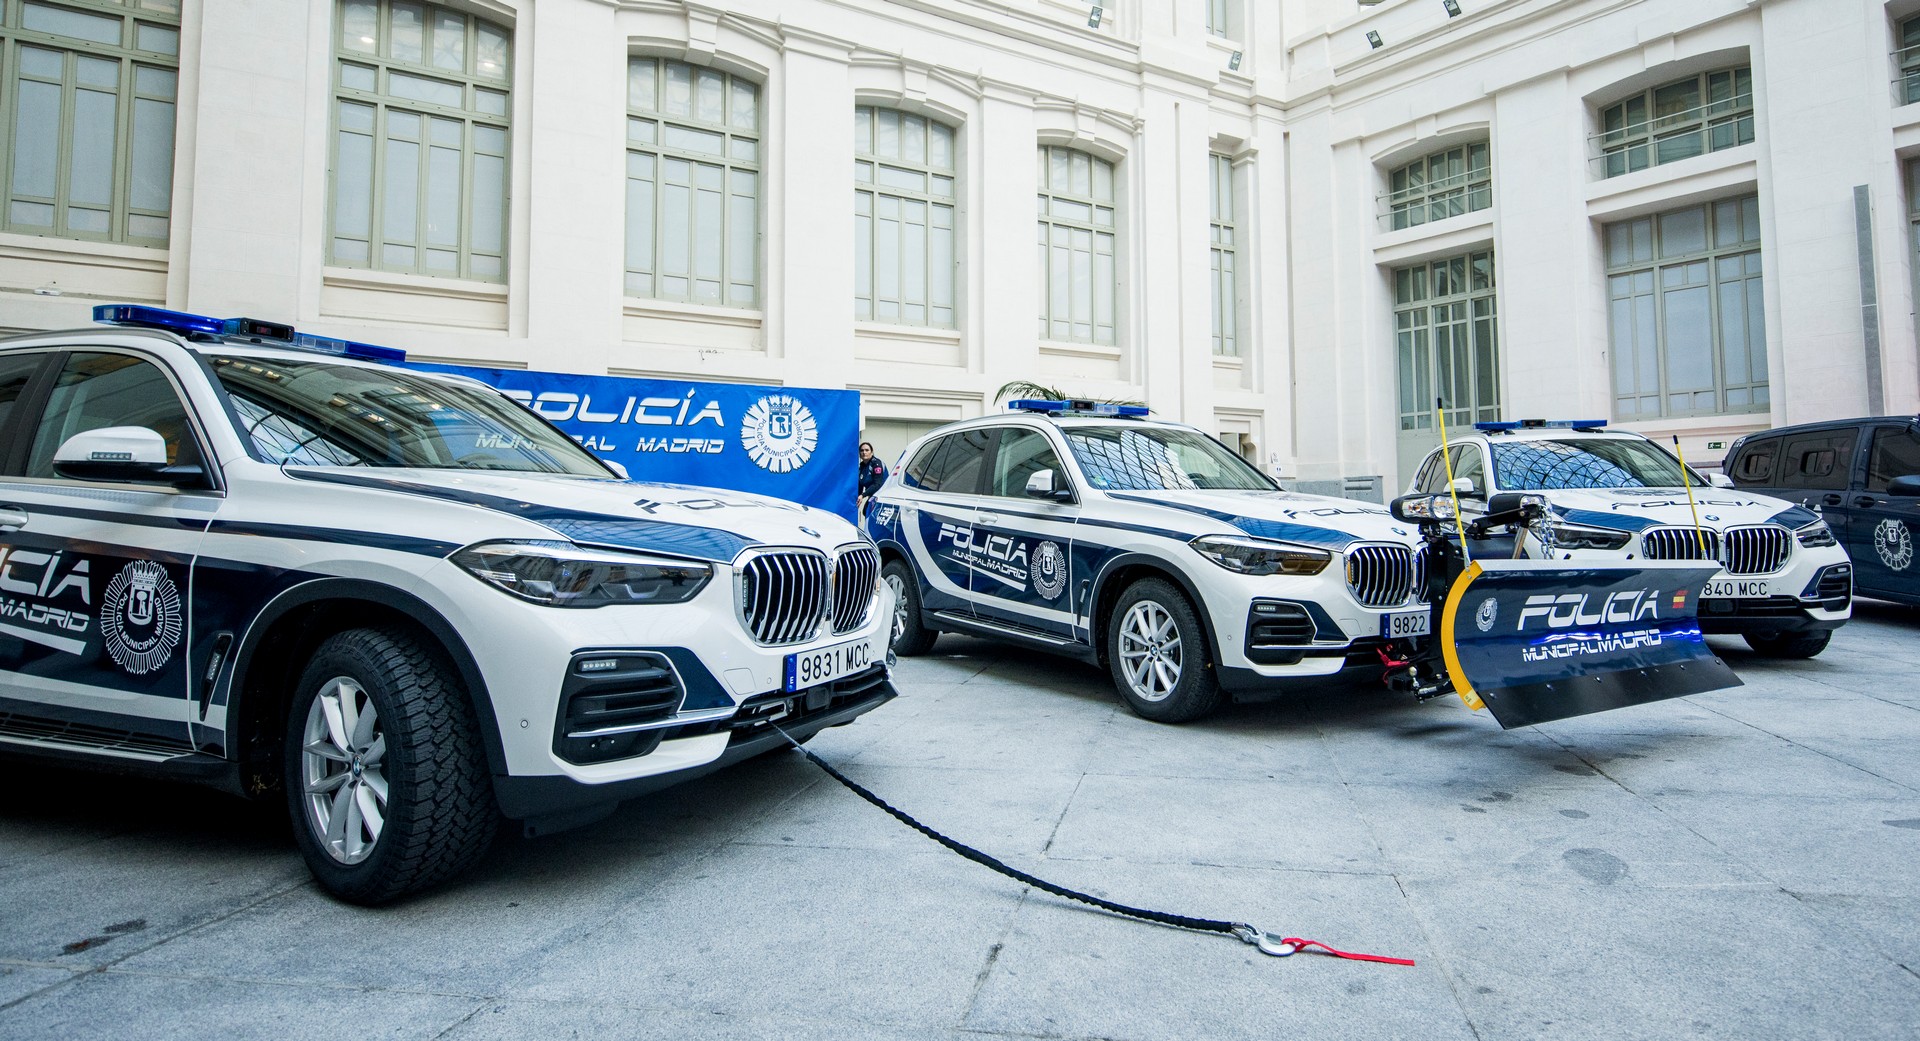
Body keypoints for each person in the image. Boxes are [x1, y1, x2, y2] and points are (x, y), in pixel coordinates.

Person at [857, 441, 886, 515]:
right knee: (865, 511)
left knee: (869, 513)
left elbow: (878, 484)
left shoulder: (876, 464)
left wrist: (863, 495)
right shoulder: (862, 467)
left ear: (872, 452)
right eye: (862, 450)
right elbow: (860, 485)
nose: (864, 452)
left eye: (867, 450)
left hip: (882, 495)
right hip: (872, 495)